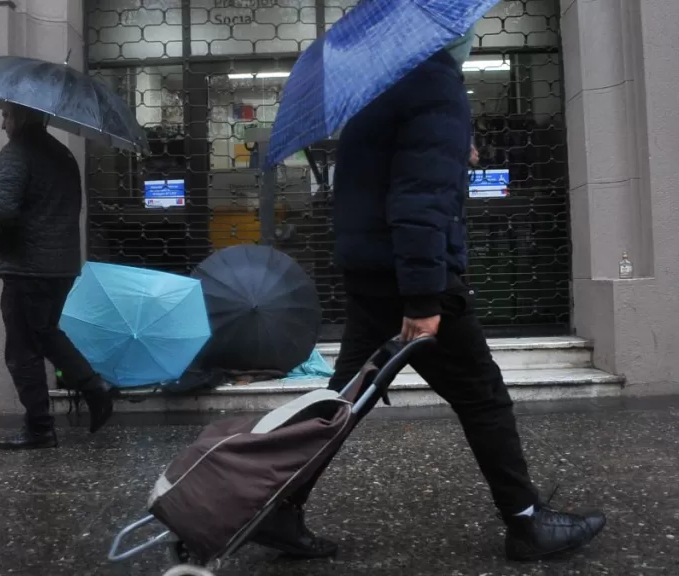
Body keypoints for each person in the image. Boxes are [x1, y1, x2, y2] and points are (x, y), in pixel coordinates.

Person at [249, 37, 606, 562]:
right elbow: (417, 203)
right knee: (482, 397)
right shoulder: (433, 78)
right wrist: (422, 301)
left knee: (342, 400)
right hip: (410, 279)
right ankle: (527, 522)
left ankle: (278, 504)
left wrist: (453, 152)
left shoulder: (382, 80)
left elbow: (389, 174)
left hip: (372, 271)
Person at [0, 103, 114, 450]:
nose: (2, 124)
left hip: (27, 267)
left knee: (22, 350)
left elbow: (0, 209)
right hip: (60, 266)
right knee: (44, 333)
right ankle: (93, 388)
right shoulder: (62, 153)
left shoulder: (17, 153)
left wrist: (0, 249)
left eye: (6, 115)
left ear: (21, 116)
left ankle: (41, 427)